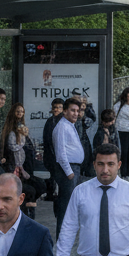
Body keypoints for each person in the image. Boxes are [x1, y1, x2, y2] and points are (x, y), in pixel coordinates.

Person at [1, 103, 46, 214]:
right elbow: (12, 147)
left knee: (40, 186)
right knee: (29, 190)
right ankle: (25, 210)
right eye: (18, 111)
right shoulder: (11, 130)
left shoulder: (23, 129)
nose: (20, 114)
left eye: (22, 112)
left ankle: (27, 207)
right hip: (15, 167)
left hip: (25, 166)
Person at [53, 98, 89, 229]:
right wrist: (69, 172)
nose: (76, 114)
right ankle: (62, 237)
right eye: (72, 110)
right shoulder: (62, 127)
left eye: (77, 111)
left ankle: (68, 235)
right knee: (66, 207)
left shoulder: (69, 125)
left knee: (71, 206)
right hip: (68, 169)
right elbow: (60, 152)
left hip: (74, 168)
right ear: (64, 111)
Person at [40, 97, 66, 201]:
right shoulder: (50, 121)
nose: (57, 109)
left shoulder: (65, 121)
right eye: (55, 107)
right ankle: (51, 193)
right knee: (53, 175)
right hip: (51, 154)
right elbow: (46, 138)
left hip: (61, 154)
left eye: (59, 107)